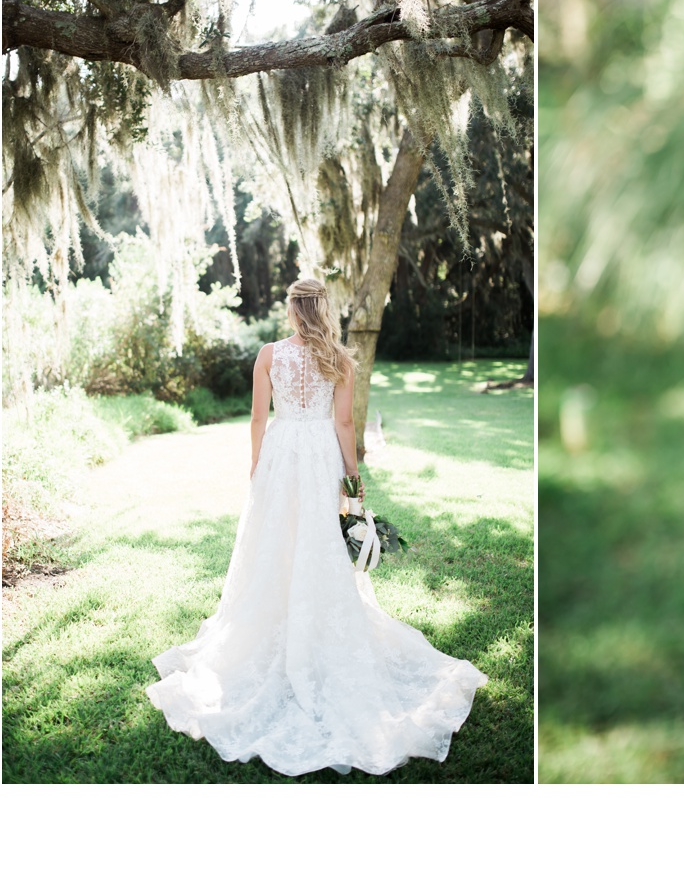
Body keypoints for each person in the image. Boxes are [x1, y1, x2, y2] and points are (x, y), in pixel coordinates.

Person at [146, 279, 487, 776]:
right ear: (323, 310)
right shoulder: (340, 359)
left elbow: (258, 417)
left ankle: (278, 620)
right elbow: (344, 425)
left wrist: (256, 464)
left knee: (277, 542)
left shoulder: (269, 354)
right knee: (319, 540)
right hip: (321, 455)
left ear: (292, 310)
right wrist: (352, 478)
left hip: (283, 453)